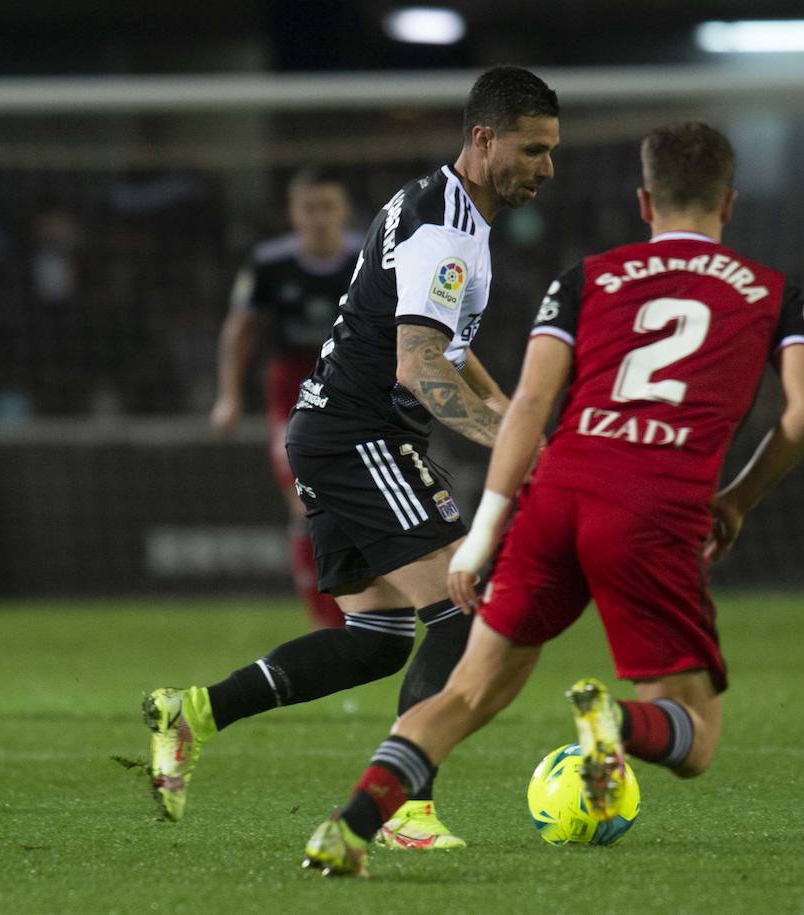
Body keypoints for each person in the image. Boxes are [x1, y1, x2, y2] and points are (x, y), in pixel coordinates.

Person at [302, 121, 804, 877]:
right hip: (651, 507)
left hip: (558, 496)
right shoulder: (774, 293)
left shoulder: (587, 279)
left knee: (467, 694)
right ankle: (613, 721)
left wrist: (487, 534)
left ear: (644, 202)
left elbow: (526, 407)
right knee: (696, 734)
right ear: (730, 203)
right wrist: (740, 498)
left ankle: (348, 829)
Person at [145, 65, 560, 850]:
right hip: (360, 433)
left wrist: (508, 410)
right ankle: (405, 810)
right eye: (533, 150)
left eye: (552, 151)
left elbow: (443, 340)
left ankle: (193, 712)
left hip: (334, 429)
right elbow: (418, 364)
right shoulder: (445, 229)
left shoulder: (437, 203)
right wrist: (508, 441)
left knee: (376, 638)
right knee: (463, 610)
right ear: (484, 138)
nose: (546, 168)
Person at [210, 167, 360, 629]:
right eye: (309, 208)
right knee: (305, 501)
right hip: (291, 388)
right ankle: (326, 621)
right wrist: (228, 396)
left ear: (344, 211)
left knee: (355, 502)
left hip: (354, 388)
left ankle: (368, 609)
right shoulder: (269, 263)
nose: (319, 218)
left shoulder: (369, 258)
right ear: (293, 214)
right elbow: (240, 330)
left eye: (327, 207)